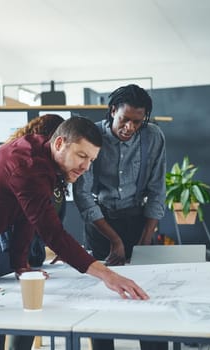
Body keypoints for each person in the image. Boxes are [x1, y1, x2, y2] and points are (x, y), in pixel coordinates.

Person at [0, 116, 149, 350]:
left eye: (91, 160)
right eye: (82, 156)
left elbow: (27, 218)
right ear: (59, 143)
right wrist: (107, 275)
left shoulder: (44, 159)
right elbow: (52, 233)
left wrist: (21, 265)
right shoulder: (29, 165)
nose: (86, 167)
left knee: (0, 316)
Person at [73, 84, 167, 350]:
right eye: (125, 120)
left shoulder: (154, 137)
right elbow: (83, 195)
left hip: (139, 221)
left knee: (150, 298)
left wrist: (146, 238)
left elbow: (158, 189)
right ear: (113, 111)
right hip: (101, 223)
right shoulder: (91, 135)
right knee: (102, 301)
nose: (130, 127)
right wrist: (114, 240)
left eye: (137, 122)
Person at [4, 114, 66, 268]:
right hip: (13, 252)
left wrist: (60, 246)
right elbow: (22, 219)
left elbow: (50, 215)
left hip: (37, 252)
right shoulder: (26, 166)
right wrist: (21, 263)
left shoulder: (54, 172)